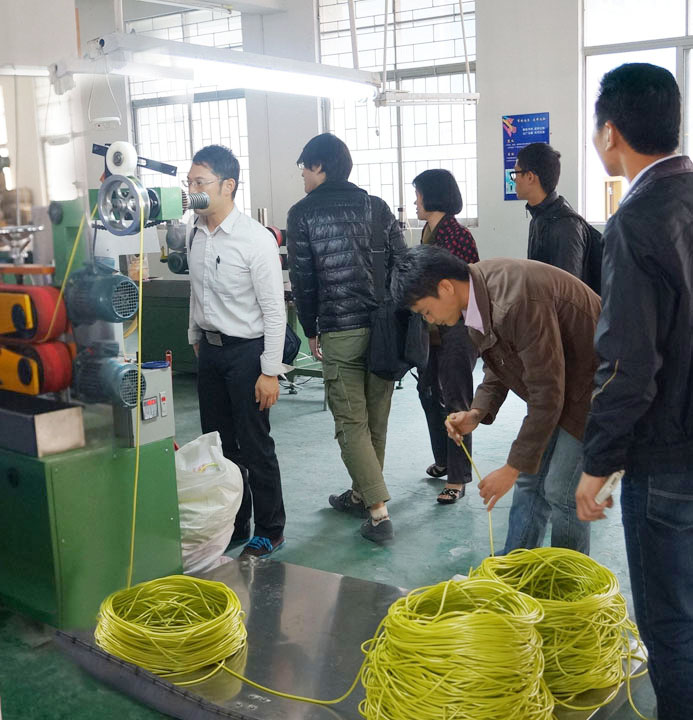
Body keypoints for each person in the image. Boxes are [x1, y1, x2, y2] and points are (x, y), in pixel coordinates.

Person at [575, 63, 693, 720]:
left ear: (610, 132)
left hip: (669, 454)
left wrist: (598, 462)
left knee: (672, 623)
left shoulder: (635, 220)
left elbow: (627, 364)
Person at [392, 245, 600, 554]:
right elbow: (500, 364)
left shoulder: (515, 302)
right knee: (530, 479)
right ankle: (515, 566)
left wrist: (510, 468)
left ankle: (568, 578)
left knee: (562, 489)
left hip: (598, 385)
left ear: (445, 287)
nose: (430, 320)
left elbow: (547, 394)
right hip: (565, 382)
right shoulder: (475, 298)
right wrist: (476, 413)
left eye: (426, 311)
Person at [286, 133, 406, 543]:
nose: (302, 174)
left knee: (351, 422)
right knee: (376, 418)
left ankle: (378, 514)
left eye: (304, 166)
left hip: (340, 330)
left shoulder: (302, 214)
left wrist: (310, 328)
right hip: (384, 330)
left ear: (320, 166)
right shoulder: (377, 207)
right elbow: (402, 264)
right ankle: (361, 494)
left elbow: (303, 279)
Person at [186, 144, 287, 559]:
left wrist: (270, 371)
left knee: (254, 444)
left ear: (227, 186)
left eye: (200, 182)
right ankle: (235, 522)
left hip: (248, 354)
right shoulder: (194, 233)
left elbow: (275, 310)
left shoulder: (254, 239)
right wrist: (194, 334)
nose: (192, 190)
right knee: (219, 445)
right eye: (189, 182)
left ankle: (270, 529)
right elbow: (197, 292)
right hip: (210, 353)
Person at [412, 169, 479, 503]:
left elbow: (464, 290)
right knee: (427, 391)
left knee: (456, 400)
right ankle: (443, 459)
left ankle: (458, 476)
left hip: (458, 328)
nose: (415, 202)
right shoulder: (427, 232)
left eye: (418, 195)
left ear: (432, 196)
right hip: (432, 329)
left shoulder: (458, 236)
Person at [512, 142, 592, 283]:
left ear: (530, 177)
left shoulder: (566, 225)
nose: (514, 180)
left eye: (515, 174)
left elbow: (569, 289)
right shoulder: (538, 217)